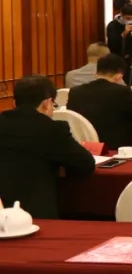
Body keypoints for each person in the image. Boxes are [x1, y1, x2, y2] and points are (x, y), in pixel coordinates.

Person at [0, 75, 96, 219]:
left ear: (14, 103)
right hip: (35, 215)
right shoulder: (51, 129)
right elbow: (86, 164)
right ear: (47, 103)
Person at [67, 54, 132, 151]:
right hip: (111, 150)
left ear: (96, 74)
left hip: (79, 149)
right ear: (119, 77)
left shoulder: (75, 92)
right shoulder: (121, 92)